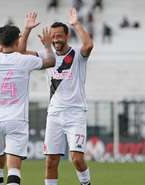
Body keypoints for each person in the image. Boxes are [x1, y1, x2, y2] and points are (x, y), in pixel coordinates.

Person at [20, 8, 93, 185]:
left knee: (76, 159)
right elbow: (20, 52)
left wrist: (76, 23)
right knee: (51, 161)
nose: (55, 40)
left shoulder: (77, 54)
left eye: (59, 36)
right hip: (54, 114)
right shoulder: (47, 54)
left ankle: (86, 183)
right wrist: (27, 29)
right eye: (53, 36)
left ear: (67, 36)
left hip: (76, 113)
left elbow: (89, 45)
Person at [0, 11, 56, 185]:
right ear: (18, 41)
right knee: (14, 167)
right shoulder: (24, 61)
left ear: (0, 42)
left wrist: (21, 33)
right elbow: (51, 62)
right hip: (17, 120)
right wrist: (47, 46)